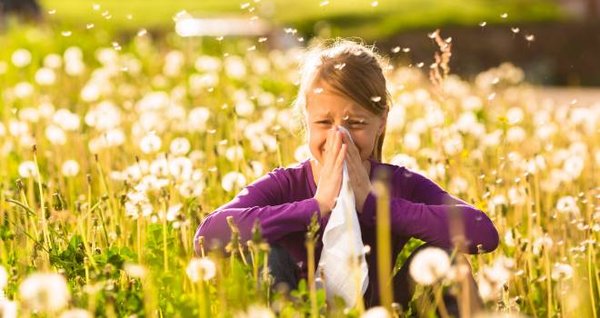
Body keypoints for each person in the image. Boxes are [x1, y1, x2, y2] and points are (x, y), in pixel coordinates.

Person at [193, 39, 499, 311]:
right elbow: (207, 237)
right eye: (324, 122)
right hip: (297, 308)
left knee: (448, 259)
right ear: (307, 121)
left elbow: (483, 232)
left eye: (355, 123)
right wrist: (316, 206)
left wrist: (376, 205)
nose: (339, 136)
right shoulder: (287, 183)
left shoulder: (397, 183)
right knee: (268, 254)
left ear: (381, 123)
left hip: (382, 311)